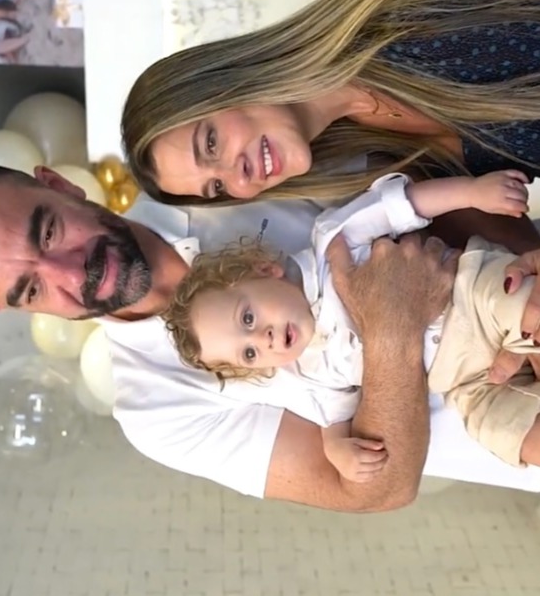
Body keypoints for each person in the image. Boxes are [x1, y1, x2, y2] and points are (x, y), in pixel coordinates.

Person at [0, 163, 540, 507]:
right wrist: (391, 327)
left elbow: (419, 180)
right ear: (13, 310)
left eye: (46, 232)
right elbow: (378, 488)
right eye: (31, 289)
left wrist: (524, 271)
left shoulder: (210, 176)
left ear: (60, 185)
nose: (72, 273)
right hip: (516, 423)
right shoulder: (156, 411)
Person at [121, 0, 540, 206]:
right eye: (217, 187)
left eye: (211, 144)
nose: (239, 179)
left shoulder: (400, 21)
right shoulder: (384, 160)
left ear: (225, 80)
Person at [164, 170, 539, 480]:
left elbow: (401, 204)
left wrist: (471, 192)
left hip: (471, 294)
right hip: (466, 380)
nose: (264, 339)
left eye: (248, 318)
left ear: (264, 270)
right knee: (507, 433)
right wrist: (336, 449)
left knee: (524, 307)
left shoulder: (331, 243)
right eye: (249, 353)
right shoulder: (307, 373)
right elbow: (333, 414)